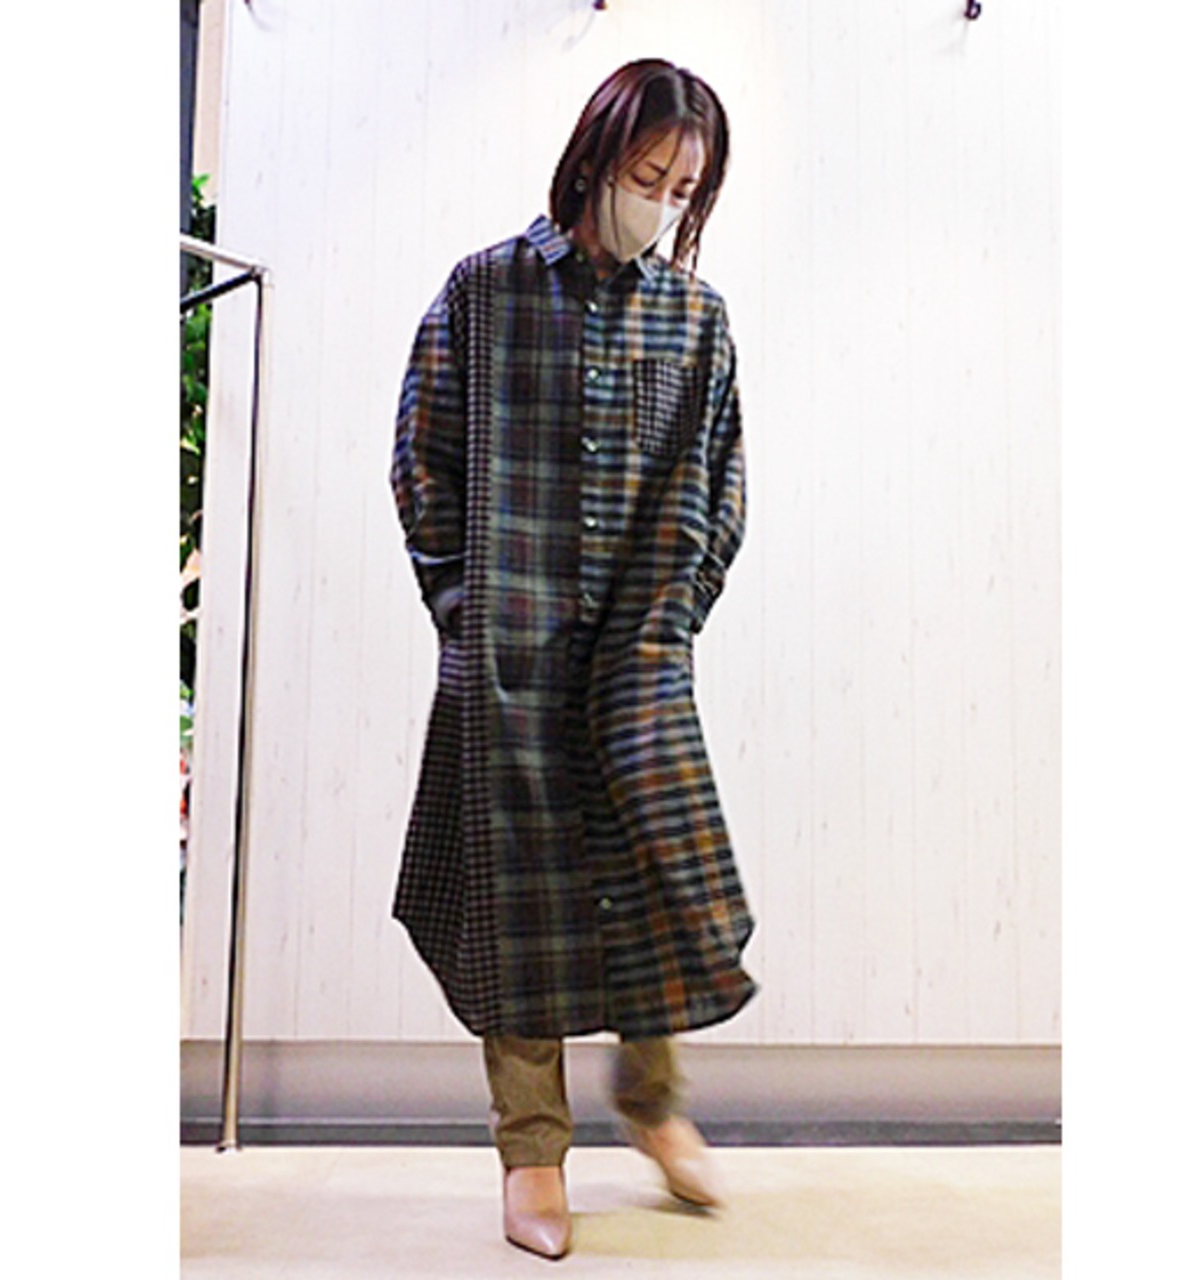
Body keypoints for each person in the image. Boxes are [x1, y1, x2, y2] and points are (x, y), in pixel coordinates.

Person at [390, 57, 756, 1261]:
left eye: (683, 188)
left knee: (651, 874)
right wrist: (465, 609)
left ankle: (653, 1105)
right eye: (648, 175)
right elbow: (423, 458)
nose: (661, 201)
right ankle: (532, 1150)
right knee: (519, 899)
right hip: (509, 647)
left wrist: (674, 615)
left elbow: (716, 485)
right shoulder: (484, 290)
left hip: (636, 648)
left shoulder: (693, 320)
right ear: (595, 157)